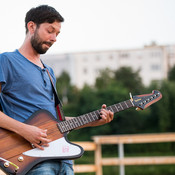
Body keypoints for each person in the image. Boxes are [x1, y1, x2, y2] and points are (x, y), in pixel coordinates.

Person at [0, 5, 114, 175]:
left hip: (64, 161)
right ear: (32, 27)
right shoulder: (6, 61)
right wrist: (25, 130)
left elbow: (56, 122)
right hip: (33, 161)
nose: (54, 38)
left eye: (57, 34)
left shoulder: (49, 72)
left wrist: (93, 121)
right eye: (50, 31)